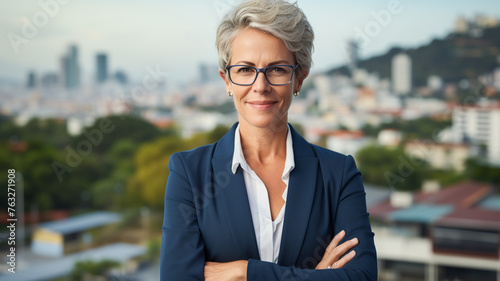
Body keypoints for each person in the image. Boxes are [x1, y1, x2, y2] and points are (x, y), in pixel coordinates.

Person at [160, 0, 377, 280]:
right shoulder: (190, 172)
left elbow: (362, 277)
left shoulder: (338, 173)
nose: (260, 86)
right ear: (226, 80)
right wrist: (311, 275)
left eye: (276, 69)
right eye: (245, 70)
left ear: (298, 79)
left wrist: (244, 271)